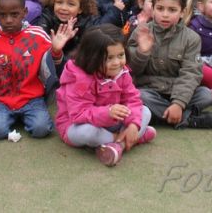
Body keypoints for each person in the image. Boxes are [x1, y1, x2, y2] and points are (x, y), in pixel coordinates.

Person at [0, 0, 74, 139]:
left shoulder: (38, 35)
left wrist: (57, 51)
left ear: (25, 12)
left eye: (14, 14)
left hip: (32, 98)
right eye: (3, 15)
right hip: (1, 100)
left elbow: (57, 71)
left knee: (42, 129)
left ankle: (30, 115)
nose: (8, 20)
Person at [56, 25, 155, 167]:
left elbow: (132, 99)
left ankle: (119, 144)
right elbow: (78, 114)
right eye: (109, 58)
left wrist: (133, 125)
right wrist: (108, 112)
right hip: (76, 125)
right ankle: (128, 139)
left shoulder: (122, 71)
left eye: (121, 55)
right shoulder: (79, 77)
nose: (117, 63)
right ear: (92, 58)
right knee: (87, 133)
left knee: (145, 111)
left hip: (112, 121)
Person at [127, 0, 212, 129]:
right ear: (153, 9)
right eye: (160, 8)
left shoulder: (191, 38)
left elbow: (190, 73)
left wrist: (178, 103)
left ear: (182, 12)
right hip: (149, 90)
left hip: (178, 90)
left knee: (205, 94)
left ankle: (164, 115)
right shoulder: (141, 32)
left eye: (172, 10)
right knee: (140, 96)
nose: (165, 15)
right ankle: (188, 119)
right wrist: (142, 52)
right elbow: (131, 70)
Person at [35, 0, 99, 57]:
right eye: (59, 2)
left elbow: (85, 49)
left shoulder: (87, 22)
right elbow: (39, 38)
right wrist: (54, 43)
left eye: (71, 4)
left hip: (72, 60)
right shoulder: (48, 15)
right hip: (49, 57)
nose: (64, 8)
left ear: (80, 9)